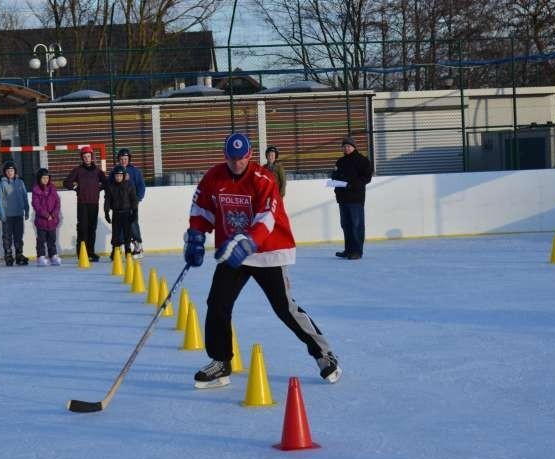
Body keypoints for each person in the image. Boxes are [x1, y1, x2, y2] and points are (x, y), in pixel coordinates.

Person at [184, 132, 342, 389]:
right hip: (233, 251)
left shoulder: (263, 179)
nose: (237, 163)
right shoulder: (214, 176)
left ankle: (324, 354)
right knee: (217, 303)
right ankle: (221, 362)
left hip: (266, 250)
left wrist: (249, 242)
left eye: (242, 158)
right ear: (225, 157)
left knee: (284, 308)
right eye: (232, 158)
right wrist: (196, 236)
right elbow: (202, 208)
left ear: (250, 156)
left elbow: (267, 217)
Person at [331, 136, 372, 260]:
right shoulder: (340, 161)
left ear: (354, 147)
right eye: (344, 146)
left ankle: (357, 251)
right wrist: (335, 184)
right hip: (342, 198)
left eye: (348, 146)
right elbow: (335, 176)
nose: (346, 148)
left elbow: (366, 178)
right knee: (346, 224)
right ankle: (348, 250)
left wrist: (351, 184)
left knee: (356, 225)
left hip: (355, 198)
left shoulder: (362, 160)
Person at [63, 146, 106, 262]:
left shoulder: (97, 171)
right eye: (85, 157)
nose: (87, 158)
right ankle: (82, 253)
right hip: (82, 204)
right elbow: (66, 182)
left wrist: (98, 189)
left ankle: (91, 252)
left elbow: (106, 182)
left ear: (92, 157)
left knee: (92, 228)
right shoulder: (78, 170)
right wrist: (76, 188)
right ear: (82, 158)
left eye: (89, 156)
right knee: (82, 228)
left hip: (94, 203)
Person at [0, 160, 30, 266]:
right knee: (7, 237)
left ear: (15, 171)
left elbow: (24, 196)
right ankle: (8, 256)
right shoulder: (2, 184)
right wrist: (2, 214)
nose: (10, 172)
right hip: (8, 215)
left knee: (18, 236)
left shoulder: (20, 182)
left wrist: (27, 209)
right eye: (8, 171)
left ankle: (19, 255)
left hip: (19, 214)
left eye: (12, 170)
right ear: (5, 172)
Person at [114, 148, 146, 258]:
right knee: (120, 227)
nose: (124, 161)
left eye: (126, 159)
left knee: (132, 224)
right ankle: (119, 249)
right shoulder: (115, 171)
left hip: (131, 204)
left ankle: (138, 247)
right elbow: (110, 186)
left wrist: (137, 199)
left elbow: (141, 186)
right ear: (119, 159)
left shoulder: (135, 171)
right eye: (122, 159)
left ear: (129, 159)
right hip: (119, 206)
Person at [103, 164, 138, 261]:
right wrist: (106, 212)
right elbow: (107, 200)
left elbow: (134, 200)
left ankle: (128, 250)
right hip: (116, 214)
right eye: (116, 176)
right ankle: (115, 250)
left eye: (120, 176)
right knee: (116, 233)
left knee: (127, 233)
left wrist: (134, 212)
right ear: (114, 176)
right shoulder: (111, 186)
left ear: (124, 176)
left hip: (126, 213)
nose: (118, 177)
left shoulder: (129, 185)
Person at [31, 168, 62, 266]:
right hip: (42, 221)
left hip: (52, 220)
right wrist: (46, 215)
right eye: (43, 178)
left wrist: (53, 214)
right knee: (41, 239)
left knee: (52, 239)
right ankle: (41, 256)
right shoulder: (36, 190)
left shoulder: (52, 188)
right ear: (39, 179)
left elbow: (57, 202)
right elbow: (36, 205)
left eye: (47, 178)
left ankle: (53, 255)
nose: (45, 180)